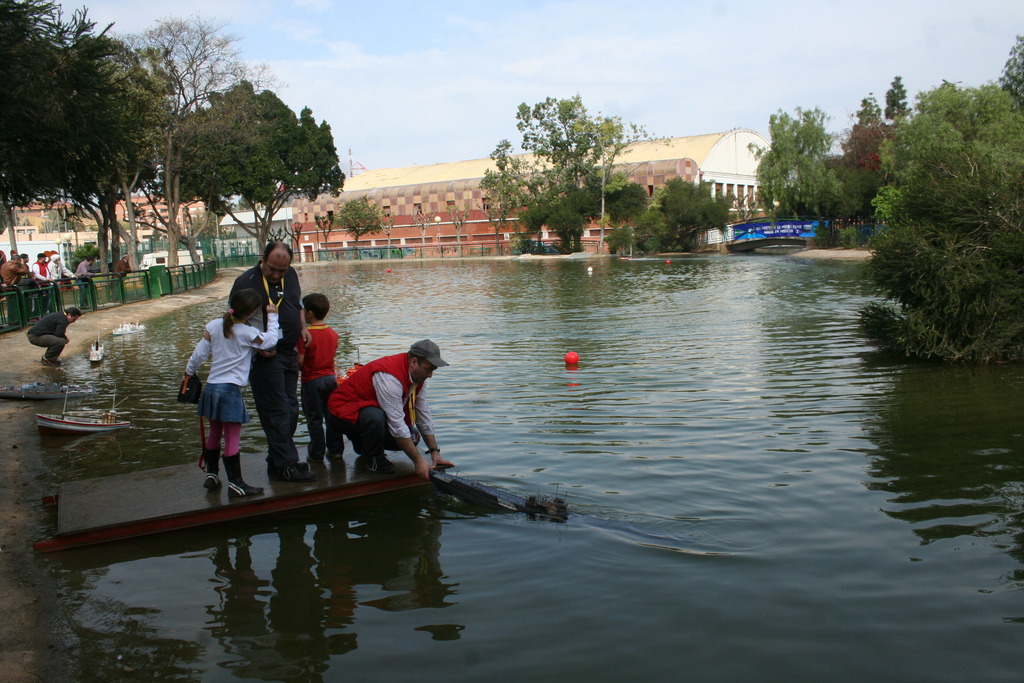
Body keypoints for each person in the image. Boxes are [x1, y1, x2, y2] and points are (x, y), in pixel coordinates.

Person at [230, 241, 314, 482]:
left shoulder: (292, 276)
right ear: (263, 260)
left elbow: (296, 305)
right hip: (265, 356)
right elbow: (234, 321)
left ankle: (277, 461)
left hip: (288, 351)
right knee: (276, 410)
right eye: (272, 270)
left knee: (290, 409)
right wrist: (254, 346)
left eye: (282, 271)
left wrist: (303, 327)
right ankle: (287, 465)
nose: (277, 275)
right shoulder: (246, 282)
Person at [184, 288, 280, 498]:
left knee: (214, 434)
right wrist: (273, 316)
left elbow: (199, 354)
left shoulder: (214, 325)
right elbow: (271, 340)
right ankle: (236, 484)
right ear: (252, 312)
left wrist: (189, 373)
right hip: (230, 391)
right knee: (232, 438)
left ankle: (212, 475)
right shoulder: (247, 332)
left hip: (211, 389)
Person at [326, 339, 454, 480]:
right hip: (340, 413)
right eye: (429, 369)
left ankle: (361, 445)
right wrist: (418, 461)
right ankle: (373, 458)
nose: (430, 375)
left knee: (413, 437)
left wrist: (434, 452)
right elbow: (397, 425)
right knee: (375, 416)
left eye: (433, 370)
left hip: (365, 411)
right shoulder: (389, 377)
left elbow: (422, 414)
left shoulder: (419, 377)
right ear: (413, 362)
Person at [296, 293, 343, 463]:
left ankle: (316, 453)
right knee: (331, 416)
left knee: (314, 419)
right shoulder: (333, 333)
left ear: (309, 313)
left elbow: (300, 362)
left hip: (311, 382)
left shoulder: (305, 335)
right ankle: (336, 450)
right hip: (331, 379)